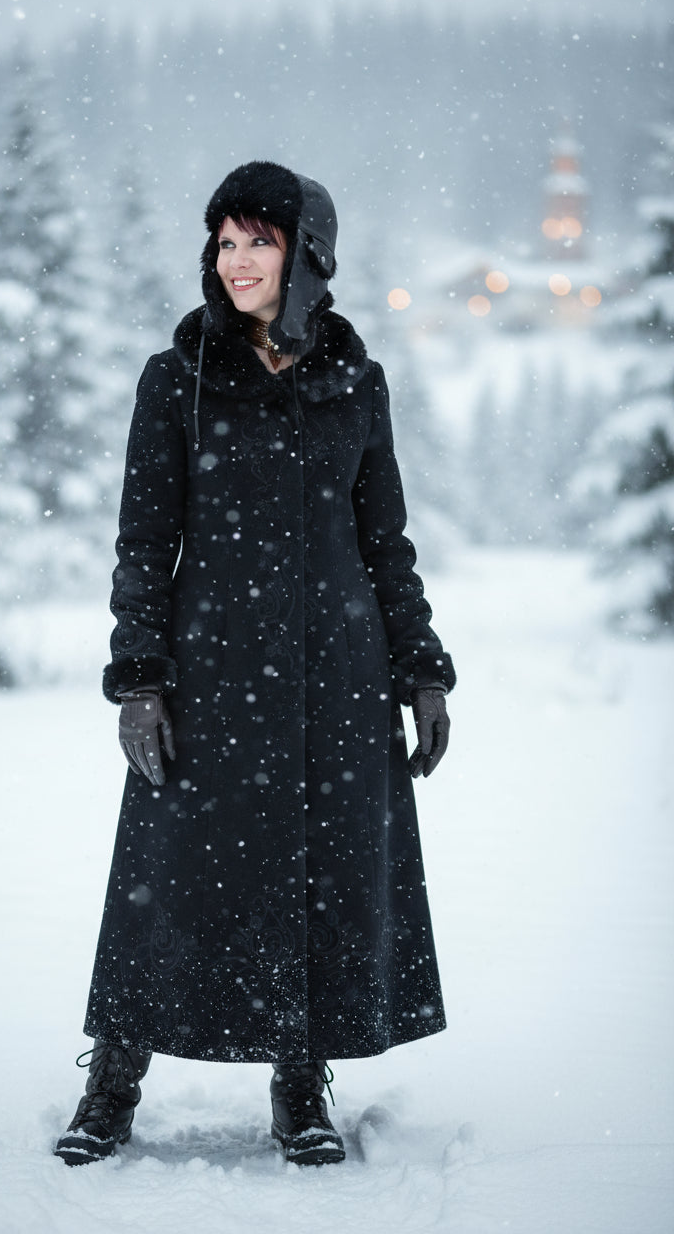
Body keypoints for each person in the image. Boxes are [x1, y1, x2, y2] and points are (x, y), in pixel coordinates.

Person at [54, 160, 456, 1169]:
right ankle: (113, 1080)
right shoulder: (177, 379)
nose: (236, 261)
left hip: (338, 676)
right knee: (166, 878)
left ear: (305, 255)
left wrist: (422, 670)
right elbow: (144, 542)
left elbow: (385, 544)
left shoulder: (356, 383)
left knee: (318, 877)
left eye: (257, 242)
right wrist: (140, 678)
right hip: (212, 673)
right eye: (225, 242)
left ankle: (300, 1082)